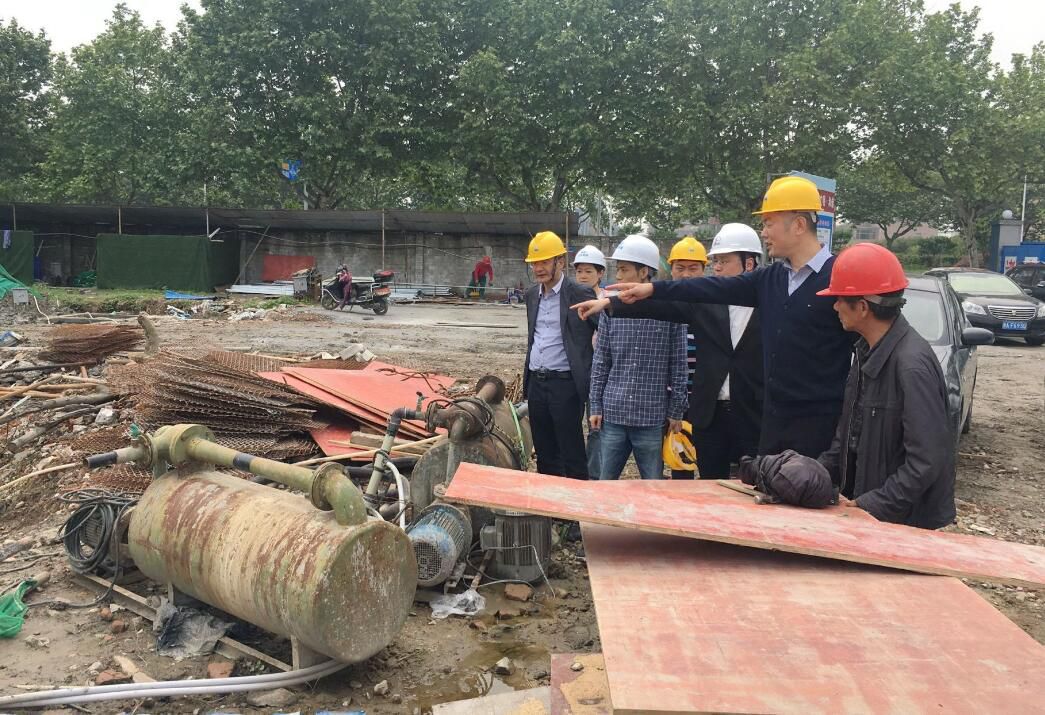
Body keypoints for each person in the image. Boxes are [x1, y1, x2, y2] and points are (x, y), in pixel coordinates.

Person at [574, 175, 855, 459]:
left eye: (769, 223)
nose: (764, 232)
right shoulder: (772, 279)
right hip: (772, 427)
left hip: (819, 430)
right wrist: (649, 290)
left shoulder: (841, 279)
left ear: (798, 225)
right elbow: (706, 288)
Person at [815, 243, 955, 528]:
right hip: (870, 515)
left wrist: (872, 505)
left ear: (863, 307)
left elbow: (926, 461)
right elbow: (847, 438)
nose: (835, 306)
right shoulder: (865, 352)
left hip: (905, 526)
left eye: (840, 299)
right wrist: (809, 475)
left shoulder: (911, 366)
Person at [607, 224, 764, 478]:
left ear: (749, 263)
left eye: (724, 261)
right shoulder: (706, 301)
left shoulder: (770, 303)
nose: (717, 267)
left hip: (753, 414)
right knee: (711, 484)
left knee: (756, 483)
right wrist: (609, 304)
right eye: (715, 261)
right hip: (710, 416)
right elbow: (659, 307)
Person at [589, 235, 687, 480]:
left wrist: (676, 410)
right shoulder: (611, 310)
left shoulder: (669, 311)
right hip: (614, 413)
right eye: (617, 269)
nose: (618, 276)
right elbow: (601, 361)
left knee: (652, 485)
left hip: (651, 416)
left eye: (624, 269)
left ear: (644, 272)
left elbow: (678, 364)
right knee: (605, 483)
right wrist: (596, 405)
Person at [523, 231, 598, 479]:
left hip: (565, 385)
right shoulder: (532, 295)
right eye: (535, 263)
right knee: (545, 452)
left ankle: (575, 503)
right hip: (536, 383)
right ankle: (549, 502)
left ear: (560, 262)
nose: (538, 268)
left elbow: (603, 331)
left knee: (571, 451)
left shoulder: (579, 293)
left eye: (545, 262)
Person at [571, 245, 607, 479]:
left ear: (600, 273)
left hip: (600, 373)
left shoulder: (608, 301)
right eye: (579, 271)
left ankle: (594, 476)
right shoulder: (571, 300)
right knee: (572, 424)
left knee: (596, 426)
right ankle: (576, 473)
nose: (583, 276)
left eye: (588, 271)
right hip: (578, 371)